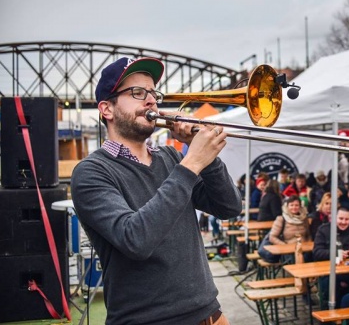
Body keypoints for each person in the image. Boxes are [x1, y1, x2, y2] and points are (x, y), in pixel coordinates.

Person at [71, 57, 241, 325]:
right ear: (107, 109)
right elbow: (135, 239)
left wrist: (207, 159)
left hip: (209, 314)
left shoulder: (171, 157)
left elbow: (229, 207)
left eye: (153, 93)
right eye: (137, 93)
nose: (151, 101)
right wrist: (192, 162)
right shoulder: (91, 172)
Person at [313, 207, 349, 309]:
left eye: (346, 219)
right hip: (328, 271)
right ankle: (329, 315)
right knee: (330, 285)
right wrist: (335, 253)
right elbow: (317, 252)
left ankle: (348, 316)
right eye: (341, 219)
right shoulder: (324, 230)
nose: (343, 222)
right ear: (334, 218)